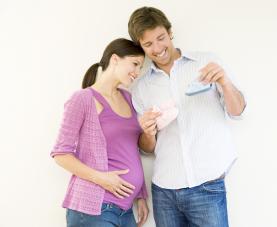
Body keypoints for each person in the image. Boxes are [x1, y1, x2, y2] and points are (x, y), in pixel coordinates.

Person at [128, 7, 246, 227]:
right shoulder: (141, 88)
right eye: (148, 44)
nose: (157, 48)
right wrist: (147, 131)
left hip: (207, 185)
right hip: (164, 192)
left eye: (161, 38)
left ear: (170, 32)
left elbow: (237, 111)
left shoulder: (207, 62)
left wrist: (225, 82)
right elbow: (147, 148)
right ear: (140, 46)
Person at [51, 38, 151, 227]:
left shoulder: (128, 98)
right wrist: (102, 179)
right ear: (115, 59)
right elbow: (60, 154)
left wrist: (140, 195)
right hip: (94, 209)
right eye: (135, 64)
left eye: (141, 67)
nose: (137, 73)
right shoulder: (82, 99)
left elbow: (130, 149)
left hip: (125, 210)